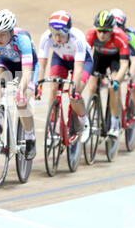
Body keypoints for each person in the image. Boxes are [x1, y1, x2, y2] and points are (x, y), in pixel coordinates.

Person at [0, 9, 39, 160]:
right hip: (7, 64)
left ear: (11, 32)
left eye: (3, 34)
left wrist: (21, 90)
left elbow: (27, 70)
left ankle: (30, 139)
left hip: (28, 68)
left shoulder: (22, 39)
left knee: (21, 101)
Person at [36, 10, 93, 142]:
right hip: (60, 59)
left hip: (82, 62)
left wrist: (74, 87)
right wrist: (38, 86)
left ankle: (84, 122)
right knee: (53, 88)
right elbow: (42, 64)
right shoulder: (46, 37)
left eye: (60, 35)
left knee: (75, 95)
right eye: (54, 34)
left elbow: (78, 69)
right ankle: (52, 126)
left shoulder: (77, 39)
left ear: (67, 31)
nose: (57, 39)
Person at [86, 10, 130, 138]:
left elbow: (124, 64)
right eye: (99, 30)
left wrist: (116, 81)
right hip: (99, 57)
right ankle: (94, 111)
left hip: (114, 59)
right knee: (92, 86)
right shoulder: (91, 35)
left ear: (111, 30)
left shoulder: (120, 37)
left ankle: (115, 123)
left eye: (105, 31)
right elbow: (84, 58)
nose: (101, 34)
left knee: (112, 87)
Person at [110, 8, 135, 131]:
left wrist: (129, 77)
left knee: (134, 86)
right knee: (114, 81)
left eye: (118, 28)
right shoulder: (109, 35)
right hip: (122, 56)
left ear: (123, 27)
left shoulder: (131, 37)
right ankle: (118, 113)